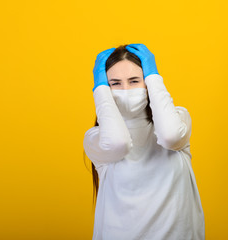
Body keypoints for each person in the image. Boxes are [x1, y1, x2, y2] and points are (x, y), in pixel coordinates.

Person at [83, 43, 205, 240]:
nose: (125, 90)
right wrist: (99, 89)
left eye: (134, 81)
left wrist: (154, 78)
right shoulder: (96, 138)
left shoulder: (179, 118)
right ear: (104, 89)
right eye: (114, 83)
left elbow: (170, 136)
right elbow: (118, 144)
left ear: (148, 83)